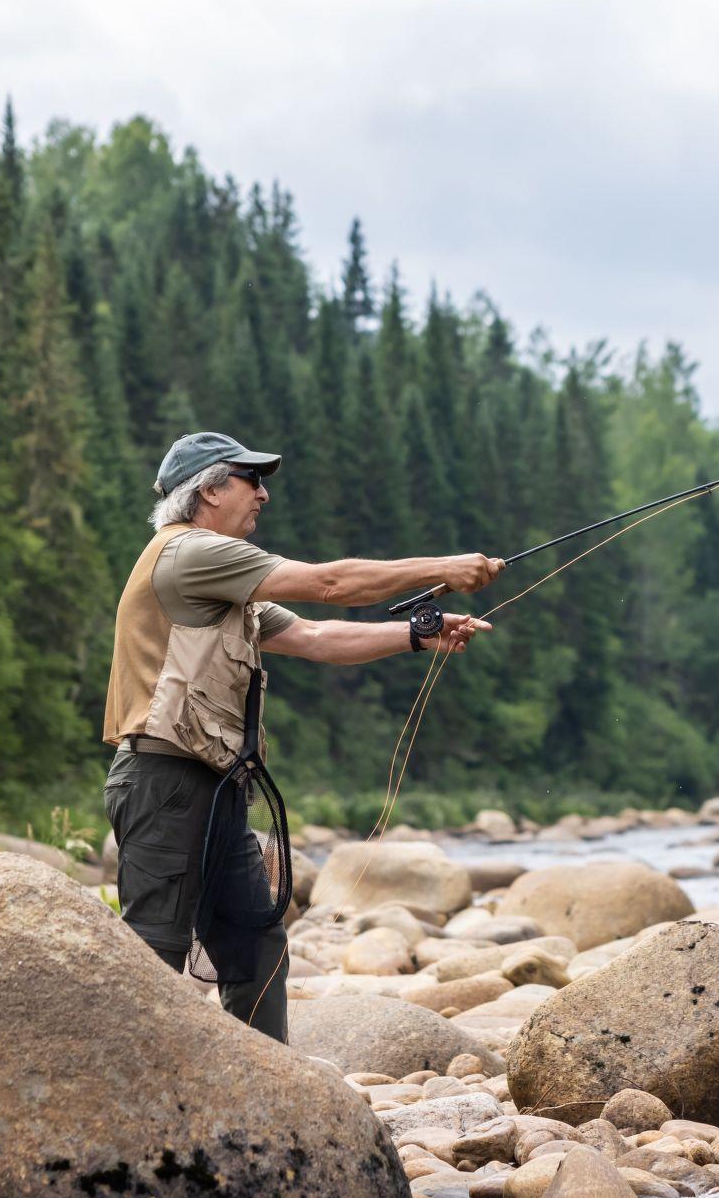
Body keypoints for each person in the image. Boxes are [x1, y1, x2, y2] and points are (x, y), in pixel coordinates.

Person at [102, 431, 501, 1041]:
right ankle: (130, 1086)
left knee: (256, 942)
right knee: (154, 952)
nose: (263, 494)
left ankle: (262, 1080)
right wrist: (441, 569)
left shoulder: (221, 581)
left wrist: (418, 636)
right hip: (165, 784)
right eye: (251, 479)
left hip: (214, 789)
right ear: (209, 491)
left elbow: (316, 638)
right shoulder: (188, 552)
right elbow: (330, 584)